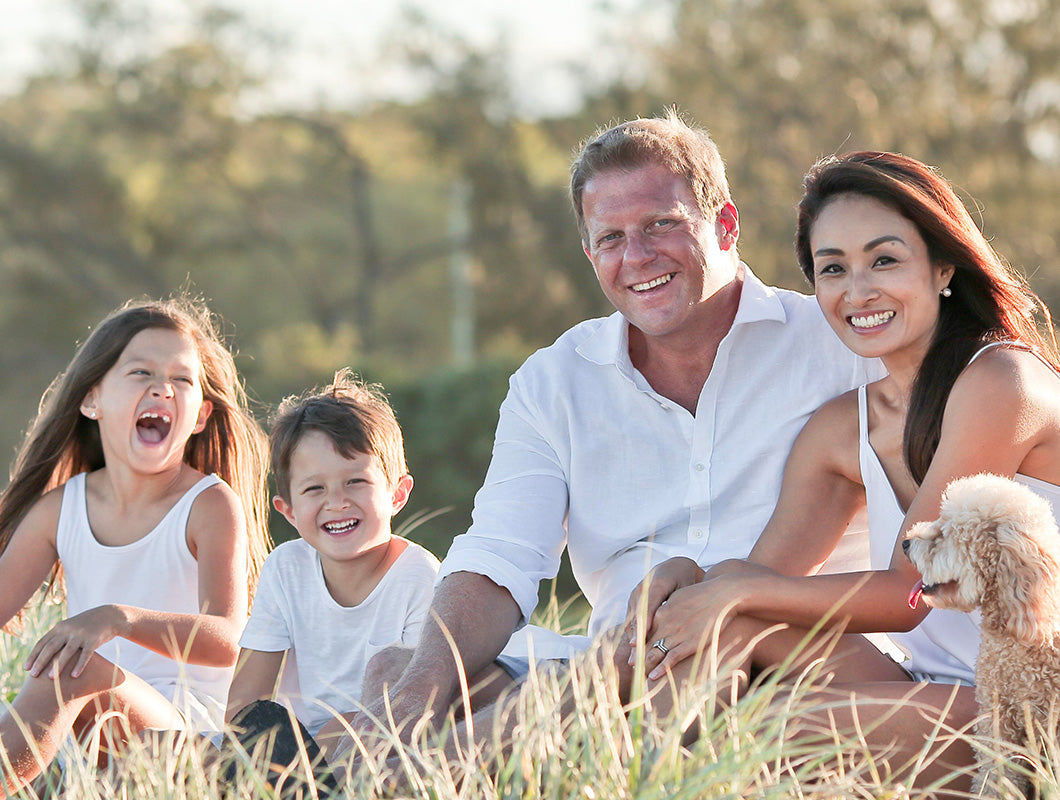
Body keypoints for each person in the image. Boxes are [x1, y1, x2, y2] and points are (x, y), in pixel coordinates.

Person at [339, 110, 882, 749]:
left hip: (785, 654)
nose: (637, 256)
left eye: (661, 224)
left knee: (667, 667)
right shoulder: (554, 381)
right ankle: (376, 766)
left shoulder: (841, 345)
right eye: (612, 238)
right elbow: (500, 555)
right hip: (614, 662)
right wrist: (415, 698)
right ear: (590, 253)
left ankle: (409, 773)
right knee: (400, 672)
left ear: (725, 224)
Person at [632, 151, 1060, 791]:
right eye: (833, 269)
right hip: (930, 686)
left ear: (943, 267)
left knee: (764, 730)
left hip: (1031, 701)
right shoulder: (842, 428)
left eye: (884, 260)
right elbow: (763, 581)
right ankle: (622, 767)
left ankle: (652, 774)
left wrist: (734, 591)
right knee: (731, 626)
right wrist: (694, 579)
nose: (857, 292)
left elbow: (910, 594)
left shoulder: (1001, 381)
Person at [0, 297, 270, 791]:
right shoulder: (61, 508)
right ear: (92, 400)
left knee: (69, 668)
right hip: (84, 734)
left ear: (200, 415)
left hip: (184, 733)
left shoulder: (208, 505)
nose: (163, 388)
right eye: (141, 372)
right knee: (61, 682)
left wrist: (118, 618)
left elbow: (228, 640)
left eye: (181, 379)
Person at [224, 369, 438, 753]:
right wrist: (236, 751)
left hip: (382, 744)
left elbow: (415, 708)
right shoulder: (287, 568)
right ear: (289, 510)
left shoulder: (418, 576)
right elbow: (245, 703)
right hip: (298, 743)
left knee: (343, 728)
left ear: (397, 493)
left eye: (355, 481)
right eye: (314, 488)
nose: (336, 502)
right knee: (168, 743)